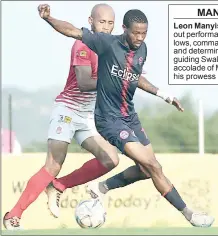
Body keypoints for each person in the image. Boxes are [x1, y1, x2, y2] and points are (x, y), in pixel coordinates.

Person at [35, 4, 214, 228]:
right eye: (135, 33)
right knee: (154, 167)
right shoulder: (107, 43)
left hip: (129, 115)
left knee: (147, 170)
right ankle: (190, 215)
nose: (139, 37)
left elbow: (134, 77)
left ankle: (101, 188)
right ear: (124, 29)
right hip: (108, 120)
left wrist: (163, 94)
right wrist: (48, 18)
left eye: (144, 33)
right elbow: (73, 31)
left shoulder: (142, 49)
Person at [3, 3, 121, 230]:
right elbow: (86, 83)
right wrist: (115, 81)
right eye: (101, 22)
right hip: (67, 110)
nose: (105, 27)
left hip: (88, 116)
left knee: (111, 159)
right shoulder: (82, 44)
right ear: (90, 22)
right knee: (53, 164)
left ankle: (58, 186)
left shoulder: (114, 49)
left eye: (110, 23)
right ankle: (13, 215)